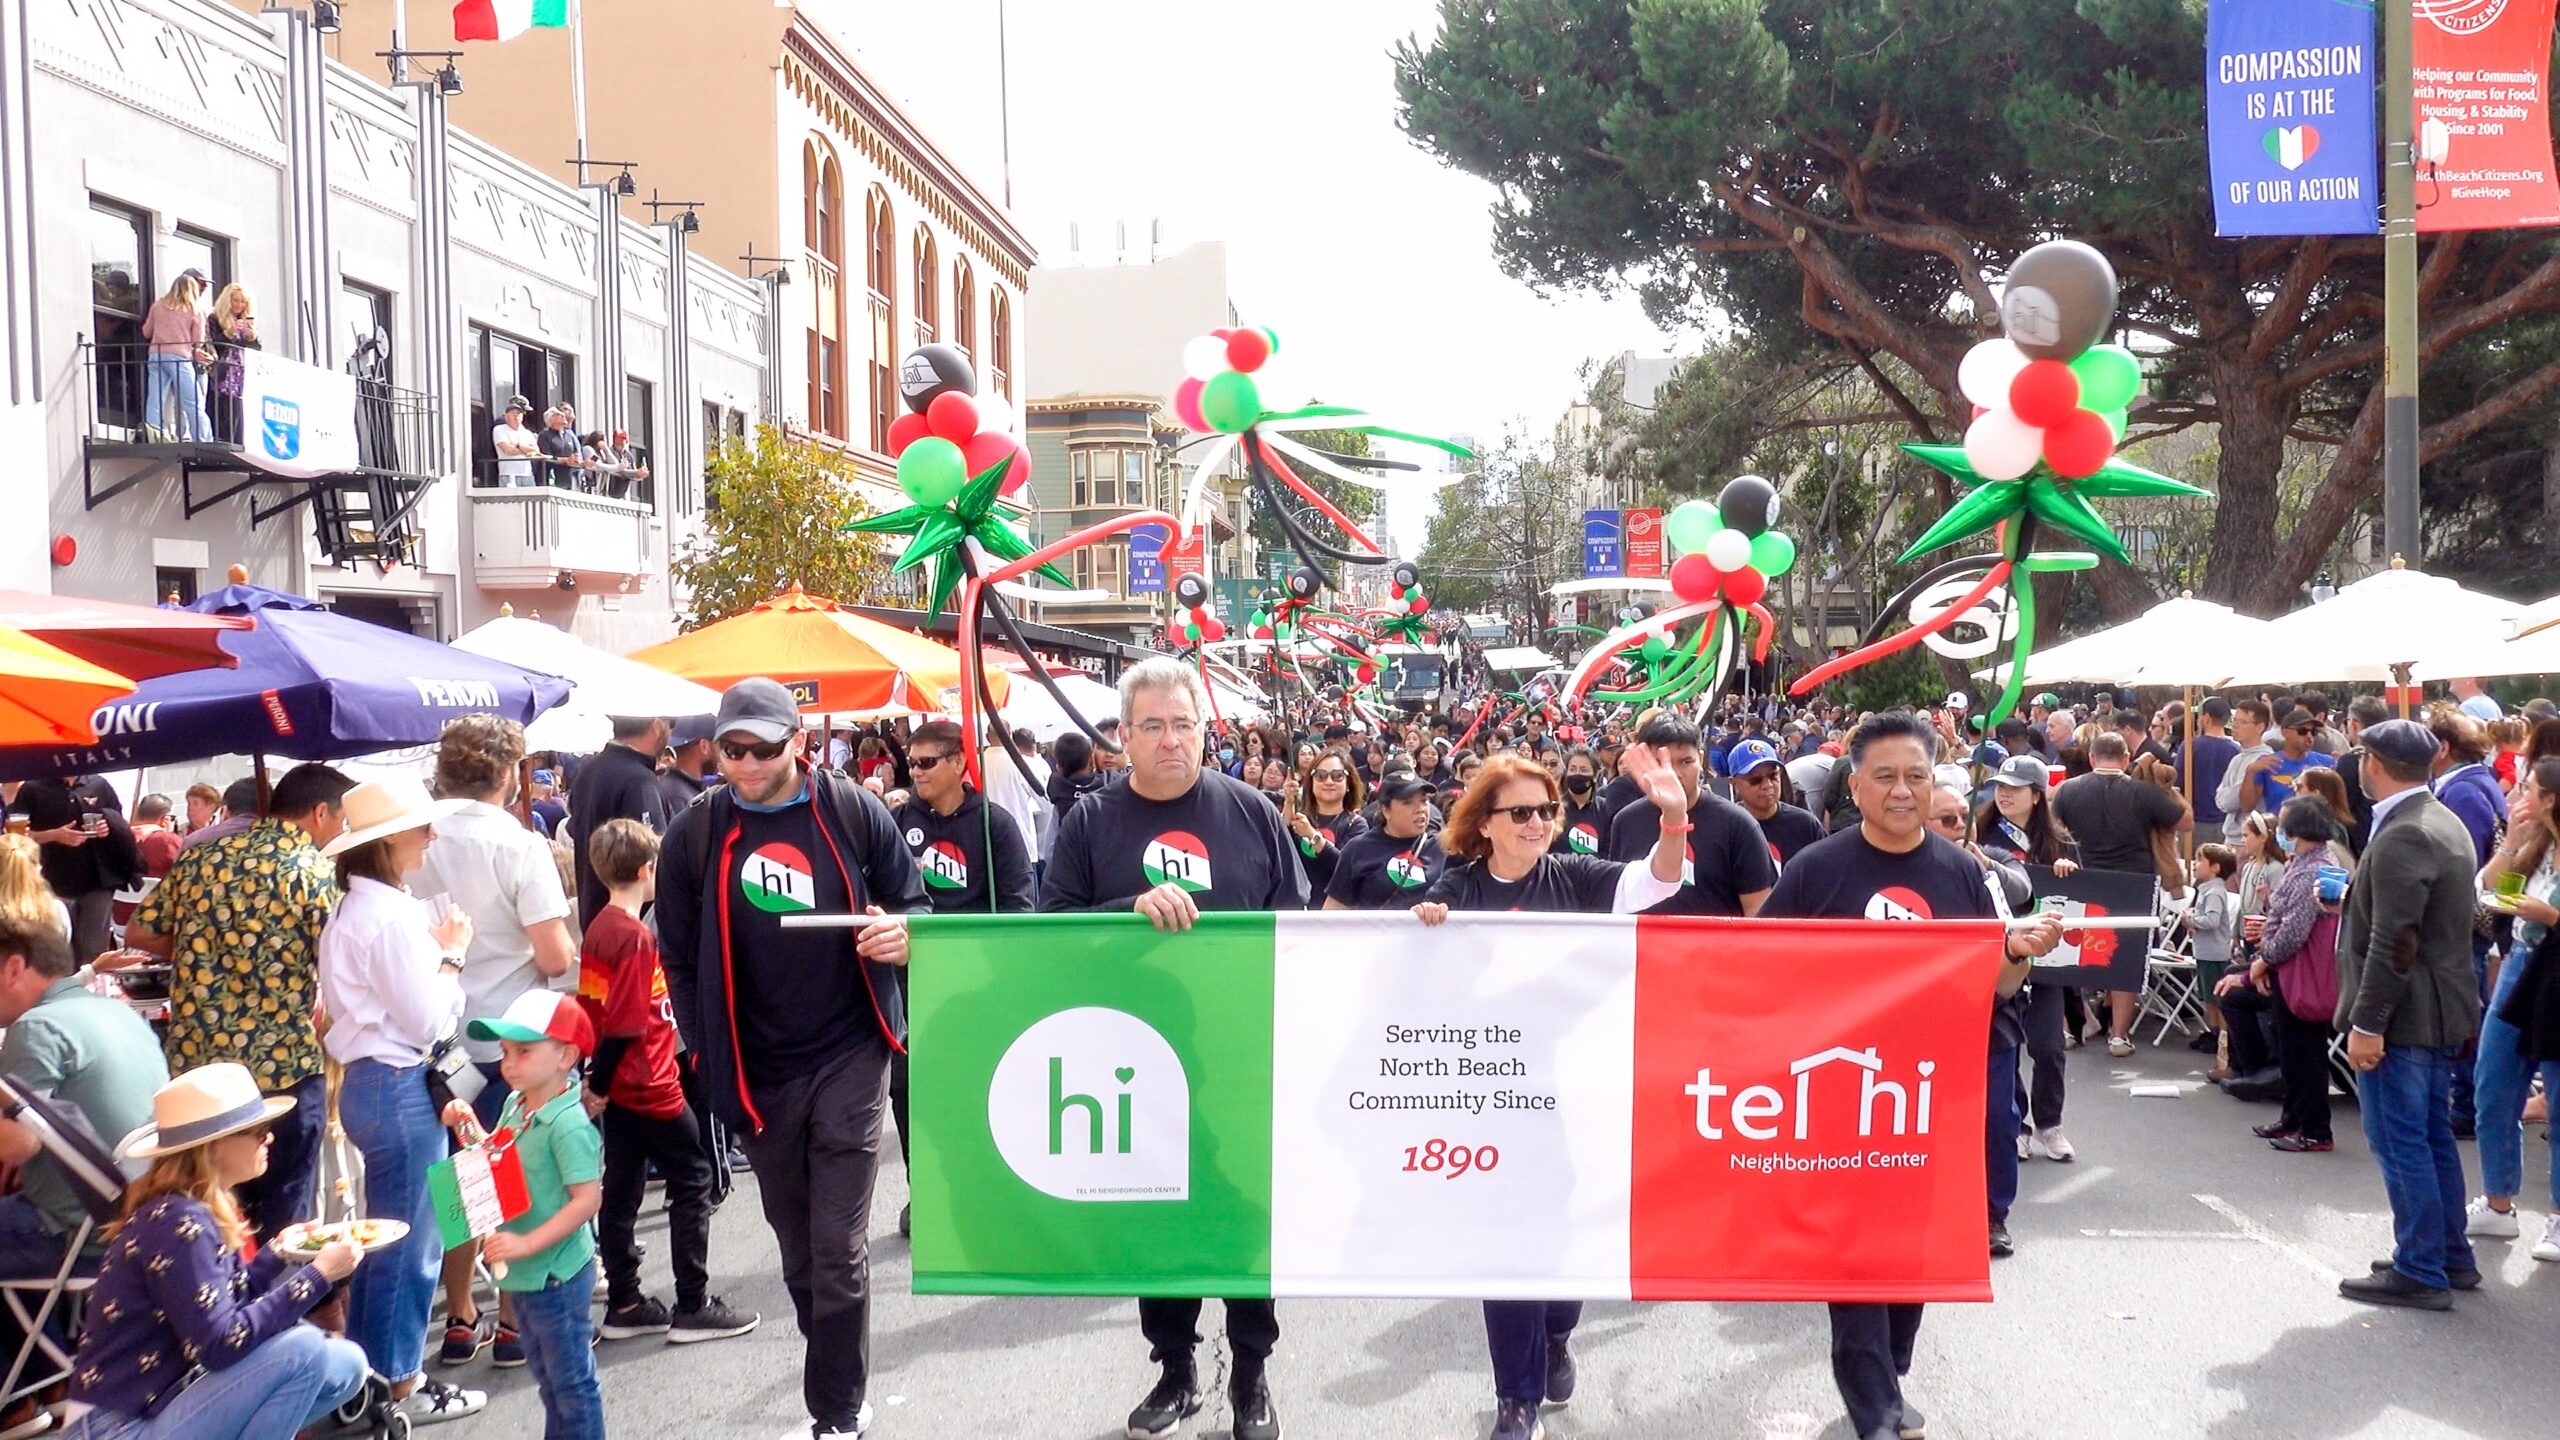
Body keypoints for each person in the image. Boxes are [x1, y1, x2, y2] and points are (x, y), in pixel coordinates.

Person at [1759, 712, 2058, 1440]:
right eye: (1885, 777)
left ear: (1937, 783)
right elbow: (1755, 966)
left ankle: (1892, 1374)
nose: (1902, 791)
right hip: (1837, 1099)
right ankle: (1876, 1409)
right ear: (1854, 785)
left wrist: (2018, 950)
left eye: (1916, 776)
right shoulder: (1814, 871)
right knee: (1856, 1256)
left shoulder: (1963, 873)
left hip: (1928, 1101)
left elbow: (1999, 985)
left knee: (1907, 1257)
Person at [1040, 659, 1299, 1440]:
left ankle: (1250, 1377)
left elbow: (1295, 925)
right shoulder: (1088, 822)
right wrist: (1128, 909)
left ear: (1202, 730)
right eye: (1150, 726)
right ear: (1123, 737)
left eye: (1182, 724)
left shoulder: (1252, 812)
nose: (1168, 740)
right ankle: (1176, 1370)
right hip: (1134, 1058)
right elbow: (1050, 929)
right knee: (1157, 1221)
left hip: (1240, 1053)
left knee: (1244, 1220)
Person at [658, 678, 923, 1440]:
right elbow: (674, 951)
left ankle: (837, 1413)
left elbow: (914, 906)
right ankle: (837, 1372)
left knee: (839, 1250)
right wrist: (701, 1045)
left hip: (851, 1052)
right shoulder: (696, 833)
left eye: (761, 749)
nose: (743, 764)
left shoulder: (849, 809)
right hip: (755, 1070)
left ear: (798, 742)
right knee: (800, 1254)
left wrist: (900, 935)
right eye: (729, 749)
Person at [1412, 746, 1692, 1440]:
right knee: (1507, 1247)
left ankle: (1559, 1331)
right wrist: (1424, 927)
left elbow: (1655, 885)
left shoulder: (1573, 877)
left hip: (1574, 1094)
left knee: (1560, 1243)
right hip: (1490, 1101)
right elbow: (1401, 957)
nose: (1538, 822)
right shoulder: (1458, 887)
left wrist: (1675, 820)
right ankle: (1517, 1399)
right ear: (1484, 823)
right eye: (1521, 812)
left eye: (1546, 811)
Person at [61, 1061, 367, 1440]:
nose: (269, 1137)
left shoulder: (191, 1208)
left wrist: (276, 1254)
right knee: (303, 1349)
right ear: (214, 1147)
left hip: (152, 1407)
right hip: (116, 1428)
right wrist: (317, 1277)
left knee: (346, 1364)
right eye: (256, 1129)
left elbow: (221, 1305)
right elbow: (220, 1344)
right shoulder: (179, 1222)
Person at [315, 777, 485, 1423]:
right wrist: (454, 956)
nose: (431, 837)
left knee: (401, 1241)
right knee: (411, 1247)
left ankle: (377, 1383)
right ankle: (394, 1385)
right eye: (421, 828)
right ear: (389, 841)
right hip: (395, 1082)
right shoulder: (384, 914)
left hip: (379, 1081)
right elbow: (425, 1020)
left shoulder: (366, 908)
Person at [125, 763, 353, 1241]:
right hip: (281, 1068)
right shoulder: (313, 872)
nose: (341, 831)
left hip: (197, 1070)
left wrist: (197, 947)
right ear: (319, 813)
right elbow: (337, 964)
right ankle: (275, 1310)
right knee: (284, 1224)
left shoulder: (200, 857)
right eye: (340, 819)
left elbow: (141, 930)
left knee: (204, 1215)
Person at [409, 716, 577, 1367]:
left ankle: (459, 1314)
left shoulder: (413, 835)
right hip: (511, 1034)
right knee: (517, 1179)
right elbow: (553, 950)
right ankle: (510, 1321)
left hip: (435, 1034)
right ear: (509, 774)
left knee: (463, 1178)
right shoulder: (516, 843)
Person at [577, 819, 756, 1342]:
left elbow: (594, 1010)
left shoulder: (600, 926)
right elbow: (627, 1022)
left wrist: (597, 1078)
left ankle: (626, 1302)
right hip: (649, 1083)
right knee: (693, 1181)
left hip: (622, 1086)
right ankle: (693, 1303)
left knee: (623, 1187)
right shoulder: (634, 936)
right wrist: (601, 1083)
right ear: (647, 869)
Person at [2334, 720, 2486, 1310]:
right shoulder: (2433, 817)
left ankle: (2422, 1264)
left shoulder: (2408, 832)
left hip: (2406, 1012)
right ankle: (2445, 1253)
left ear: (2374, 762)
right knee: (2427, 1137)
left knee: (2401, 1140)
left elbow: (2395, 940)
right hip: (2432, 1004)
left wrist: (2367, 1023)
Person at [0, 912, 168, 1377]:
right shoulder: (115, 1010)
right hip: (142, 1212)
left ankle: (24, 1397)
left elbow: (18, 1145)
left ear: (15, 968)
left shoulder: (36, 1027)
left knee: (21, 1220)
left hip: (85, 1231)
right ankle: (42, 1386)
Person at [887, 719, 1034, 1230]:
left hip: (977, 986)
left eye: (927, 762)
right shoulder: (898, 823)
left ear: (958, 763)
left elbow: (1020, 908)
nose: (917, 771)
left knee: (984, 1089)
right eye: (912, 762)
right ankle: (923, 1190)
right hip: (912, 986)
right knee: (907, 1092)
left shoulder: (995, 825)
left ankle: (993, 1183)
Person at [442, 992, 606, 1439]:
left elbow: (587, 1200)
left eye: (524, 1051)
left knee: (571, 1384)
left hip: (556, 1273)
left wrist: (528, 1243)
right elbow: (497, 1155)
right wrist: (468, 1125)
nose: (508, 1063)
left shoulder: (569, 1123)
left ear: (566, 1056)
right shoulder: (517, 1104)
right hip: (524, 1273)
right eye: (505, 1052)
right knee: (549, 1381)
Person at [2465, 755, 2560, 1261]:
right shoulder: (2536, 843)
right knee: (2493, 1086)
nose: (2517, 794)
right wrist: (2511, 845)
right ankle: (2499, 1204)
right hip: (2521, 965)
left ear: (2550, 798)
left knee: (2559, 1099)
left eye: (2527, 788)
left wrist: (2551, 915)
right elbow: (2485, 888)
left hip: (2556, 974)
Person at [2051, 733, 2190, 1057]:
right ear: (2126, 759)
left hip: (2084, 879)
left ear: (2092, 759)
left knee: (2073, 953)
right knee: (2127, 957)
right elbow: (2184, 821)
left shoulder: (2068, 790)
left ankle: (2069, 1029)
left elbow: (2054, 830)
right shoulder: (2142, 792)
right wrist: (2167, 788)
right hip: (2135, 882)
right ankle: (2118, 1036)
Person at [2223, 799, 2346, 1153]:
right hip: (2288, 967)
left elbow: (2294, 931)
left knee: (2303, 1052)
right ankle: (2292, 1118)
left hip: (2299, 969)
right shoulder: (2304, 862)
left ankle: (2314, 1129)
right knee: (2291, 1049)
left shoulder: (2313, 869)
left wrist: (2263, 960)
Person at [1974, 754, 2080, 1161]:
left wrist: (2068, 870)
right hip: (2001, 956)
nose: (2004, 794)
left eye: (2015, 788)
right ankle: (2017, 1125)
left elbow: (2081, 900)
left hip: (2048, 956)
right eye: (2000, 786)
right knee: (2007, 1044)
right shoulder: (1981, 835)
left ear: (2037, 796)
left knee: (2048, 1046)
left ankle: (2050, 1124)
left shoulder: (2060, 842)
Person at [1604, 715, 1775, 917]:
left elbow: (1758, 911)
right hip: (1644, 946)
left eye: (1685, 762)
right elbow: (1618, 901)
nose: (1675, 773)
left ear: (1700, 760)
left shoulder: (1738, 824)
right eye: (1661, 763)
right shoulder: (1626, 822)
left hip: (1717, 947)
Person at [6, 775, 142, 969]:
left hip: (96, 880)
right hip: (51, 882)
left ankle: (91, 995)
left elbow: (120, 822)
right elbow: (16, 836)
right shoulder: (32, 788)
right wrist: (55, 835)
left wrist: (107, 827)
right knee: (55, 952)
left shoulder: (98, 784)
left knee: (94, 952)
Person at [569, 714, 671, 926]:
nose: (671, 733)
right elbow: (652, 856)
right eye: (671, 725)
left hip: (595, 915)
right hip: (633, 925)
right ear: (657, 726)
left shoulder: (589, 770)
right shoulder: (639, 780)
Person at [1325, 773, 1445, 909]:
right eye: (1408, 802)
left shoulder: (1444, 848)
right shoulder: (1358, 849)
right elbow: (1333, 912)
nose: (1420, 809)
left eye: (1424, 801)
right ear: (1385, 810)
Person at [137, 270, 211, 441]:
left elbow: (146, 332)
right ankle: (202, 438)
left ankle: (153, 435)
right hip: (179, 358)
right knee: (193, 401)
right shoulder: (195, 310)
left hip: (156, 355)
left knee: (155, 398)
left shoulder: (157, 306)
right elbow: (198, 342)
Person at [1727, 738, 1824, 867]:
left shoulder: (1806, 825)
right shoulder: (1726, 829)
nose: (1767, 785)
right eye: (1755, 780)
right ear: (1735, 784)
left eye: (1773, 776)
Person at [1286, 752, 1367, 903]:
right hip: (1297, 913)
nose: (1329, 782)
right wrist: (1289, 803)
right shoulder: (1300, 818)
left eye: (1337, 776)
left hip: (1334, 914)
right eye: (1321, 776)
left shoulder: (1356, 825)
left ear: (1348, 783)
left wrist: (1312, 835)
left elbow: (1346, 869)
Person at [205, 281, 259, 446]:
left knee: (237, 410)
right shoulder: (215, 318)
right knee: (221, 408)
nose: (239, 305)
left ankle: (237, 441)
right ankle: (221, 439)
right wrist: (231, 331)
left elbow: (256, 351)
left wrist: (252, 337)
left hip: (240, 374)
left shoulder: (247, 321)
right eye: (236, 300)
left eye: (243, 302)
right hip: (222, 373)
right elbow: (215, 343)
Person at [1550, 748, 1609, 857]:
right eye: (1572, 769)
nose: (1577, 774)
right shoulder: (1553, 809)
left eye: (1583, 770)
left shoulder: (1606, 809)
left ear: (1595, 776)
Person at [180, 778, 262, 854]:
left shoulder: (226, 829)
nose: (190, 808)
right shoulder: (179, 832)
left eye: (195, 803)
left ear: (211, 806)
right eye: (188, 803)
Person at [660, 714, 721, 815]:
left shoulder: (675, 787)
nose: (721, 753)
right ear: (704, 746)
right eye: (719, 745)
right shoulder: (679, 797)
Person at [491, 396, 539, 486]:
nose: (517, 416)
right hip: (509, 474)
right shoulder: (499, 428)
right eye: (513, 413)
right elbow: (507, 450)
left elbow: (536, 451)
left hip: (528, 475)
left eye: (519, 413)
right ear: (506, 416)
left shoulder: (527, 432)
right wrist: (526, 450)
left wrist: (518, 446)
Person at [535, 406, 585, 488]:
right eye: (558, 414)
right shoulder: (544, 435)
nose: (563, 415)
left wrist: (581, 462)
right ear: (551, 419)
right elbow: (545, 458)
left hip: (568, 478)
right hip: (551, 479)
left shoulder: (569, 435)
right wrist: (565, 460)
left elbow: (576, 453)